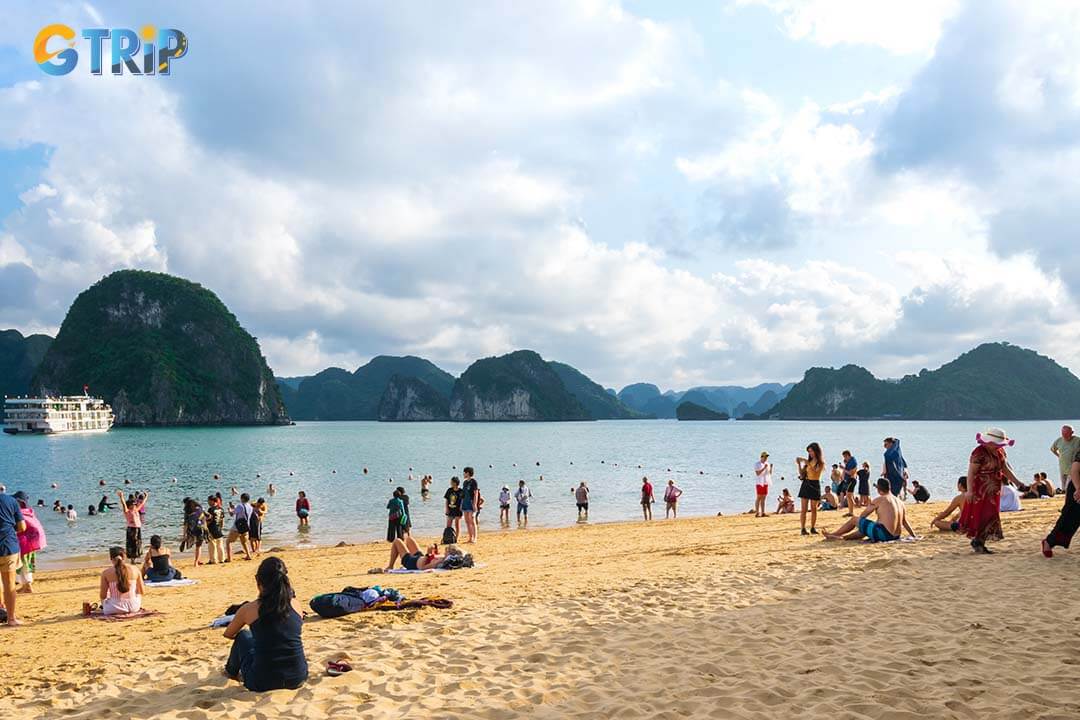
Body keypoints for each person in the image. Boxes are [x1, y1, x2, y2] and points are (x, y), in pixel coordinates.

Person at [223, 557, 308, 692]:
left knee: (243, 635)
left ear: (258, 581)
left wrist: (257, 637)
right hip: (297, 677)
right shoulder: (296, 605)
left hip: (262, 681)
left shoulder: (249, 609)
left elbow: (228, 634)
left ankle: (230, 671)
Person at [959, 427, 1020, 554]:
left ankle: (980, 542)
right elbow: (971, 473)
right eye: (997, 444)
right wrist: (969, 491)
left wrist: (1018, 483)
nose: (999, 446)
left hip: (993, 489)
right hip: (980, 489)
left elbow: (1005, 469)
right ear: (990, 442)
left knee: (991, 515)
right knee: (980, 515)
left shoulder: (1000, 451)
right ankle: (978, 541)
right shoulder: (978, 452)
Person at [823, 478, 916, 542]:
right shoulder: (899, 501)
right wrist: (913, 535)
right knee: (867, 528)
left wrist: (858, 522)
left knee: (855, 520)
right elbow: (904, 522)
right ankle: (842, 537)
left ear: (879, 489)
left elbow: (863, 515)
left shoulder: (880, 499)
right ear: (889, 487)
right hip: (896, 536)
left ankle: (834, 534)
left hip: (884, 534)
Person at [1042, 447, 1080, 557]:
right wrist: (1078, 489)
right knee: (1069, 518)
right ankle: (1048, 542)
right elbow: (1074, 470)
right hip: (1078, 485)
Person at [0, 490, 27, 626]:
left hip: (7, 545)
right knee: (9, 584)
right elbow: (22, 526)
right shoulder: (11, 501)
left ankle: (1, 608)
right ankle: (11, 618)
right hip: (7, 546)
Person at [99, 547, 144, 615]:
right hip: (134, 607)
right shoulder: (135, 569)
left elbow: (103, 596)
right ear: (124, 557)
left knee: (106, 599)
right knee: (137, 594)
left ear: (111, 559)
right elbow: (141, 591)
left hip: (113, 608)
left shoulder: (106, 573)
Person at [795, 443, 824, 535]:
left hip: (815, 484)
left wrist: (807, 463)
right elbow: (802, 474)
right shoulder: (809, 462)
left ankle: (812, 527)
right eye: (809, 451)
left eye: (811, 451)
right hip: (806, 484)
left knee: (813, 508)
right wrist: (799, 464)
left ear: (816, 451)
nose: (810, 453)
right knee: (804, 509)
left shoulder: (820, 463)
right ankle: (803, 528)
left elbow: (816, 472)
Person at [384, 536, 449, 571]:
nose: (445, 550)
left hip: (411, 562)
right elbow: (430, 559)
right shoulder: (443, 558)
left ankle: (390, 566)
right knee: (409, 538)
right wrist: (434, 553)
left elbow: (422, 567)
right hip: (419, 557)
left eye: (447, 550)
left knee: (397, 541)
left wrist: (428, 554)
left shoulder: (438, 562)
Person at [119, 490, 148, 562]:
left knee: (138, 543)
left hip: (137, 528)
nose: (135, 505)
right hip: (131, 529)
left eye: (135, 504)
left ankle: (135, 558)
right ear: (130, 505)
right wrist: (121, 496)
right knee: (132, 543)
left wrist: (146, 496)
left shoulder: (136, 510)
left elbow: (142, 503)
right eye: (133, 504)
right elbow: (123, 504)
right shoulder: (127, 511)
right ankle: (132, 559)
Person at [1050, 425, 1080, 492]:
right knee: (1063, 488)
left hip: (1073, 468)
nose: (1064, 436)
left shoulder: (1078, 440)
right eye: (1063, 434)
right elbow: (1052, 449)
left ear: (1072, 432)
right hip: (1062, 467)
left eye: (1066, 434)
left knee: (1068, 487)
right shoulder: (1059, 440)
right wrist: (1059, 456)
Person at [227, 494, 254, 563]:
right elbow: (241, 511)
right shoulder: (250, 507)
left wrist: (229, 510)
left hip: (237, 527)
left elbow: (232, 514)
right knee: (244, 542)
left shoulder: (240, 506)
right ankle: (248, 555)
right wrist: (234, 507)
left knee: (228, 542)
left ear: (242, 498)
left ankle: (229, 558)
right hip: (246, 526)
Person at [181, 498, 208, 566]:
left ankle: (196, 561)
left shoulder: (187, 512)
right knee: (199, 546)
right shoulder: (200, 508)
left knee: (195, 544)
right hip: (201, 528)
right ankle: (197, 561)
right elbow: (207, 516)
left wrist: (184, 535)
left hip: (193, 529)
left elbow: (185, 524)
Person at [205, 495, 226, 564]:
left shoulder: (211, 509)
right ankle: (222, 559)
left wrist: (205, 526)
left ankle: (213, 560)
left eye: (208, 501)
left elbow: (209, 520)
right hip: (218, 528)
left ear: (212, 501)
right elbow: (222, 520)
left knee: (212, 545)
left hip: (211, 528)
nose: (208, 502)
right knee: (220, 545)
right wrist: (221, 527)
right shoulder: (221, 509)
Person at [461, 467, 479, 544]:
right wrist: (461, 504)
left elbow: (476, 493)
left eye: (464, 472)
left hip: (471, 503)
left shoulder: (473, 482)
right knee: (467, 521)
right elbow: (463, 494)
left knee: (472, 520)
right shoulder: (464, 482)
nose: (463, 474)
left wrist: (475, 504)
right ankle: (470, 537)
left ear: (468, 473)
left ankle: (474, 538)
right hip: (465, 503)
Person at [753, 452, 772, 518]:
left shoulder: (767, 464)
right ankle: (757, 512)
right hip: (759, 482)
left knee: (764, 498)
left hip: (765, 482)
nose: (766, 458)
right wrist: (764, 468)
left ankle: (763, 512)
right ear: (761, 456)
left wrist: (771, 468)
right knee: (759, 497)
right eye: (765, 456)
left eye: (766, 457)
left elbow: (769, 474)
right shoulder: (757, 464)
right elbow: (757, 473)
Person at [841, 450, 858, 516]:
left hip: (851, 479)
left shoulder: (853, 462)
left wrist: (843, 469)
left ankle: (851, 512)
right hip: (849, 479)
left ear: (847, 455)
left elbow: (851, 473)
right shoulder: (850, 462)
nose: (844, 458)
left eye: (845, 457)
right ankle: (851, 511)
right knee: (849, 495)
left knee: (848, 495)